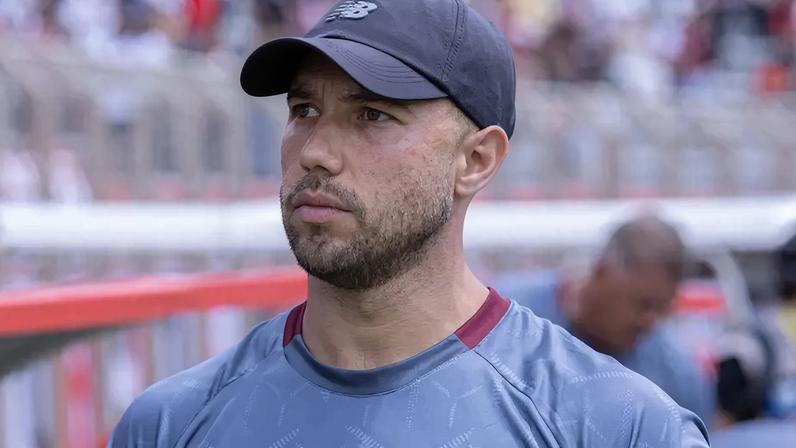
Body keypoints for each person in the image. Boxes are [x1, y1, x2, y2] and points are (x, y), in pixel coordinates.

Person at [108, 1, 709, 446]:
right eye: (304, 109)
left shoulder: (616, 426)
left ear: (476, 160)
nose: (315, 151)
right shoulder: (169, 423)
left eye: (372, 114)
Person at [496, 216, 715, 423]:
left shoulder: (676, 376)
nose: (651, 320)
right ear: (601, 271)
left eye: (662, 307)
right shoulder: (505, 318)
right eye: (644, 304)